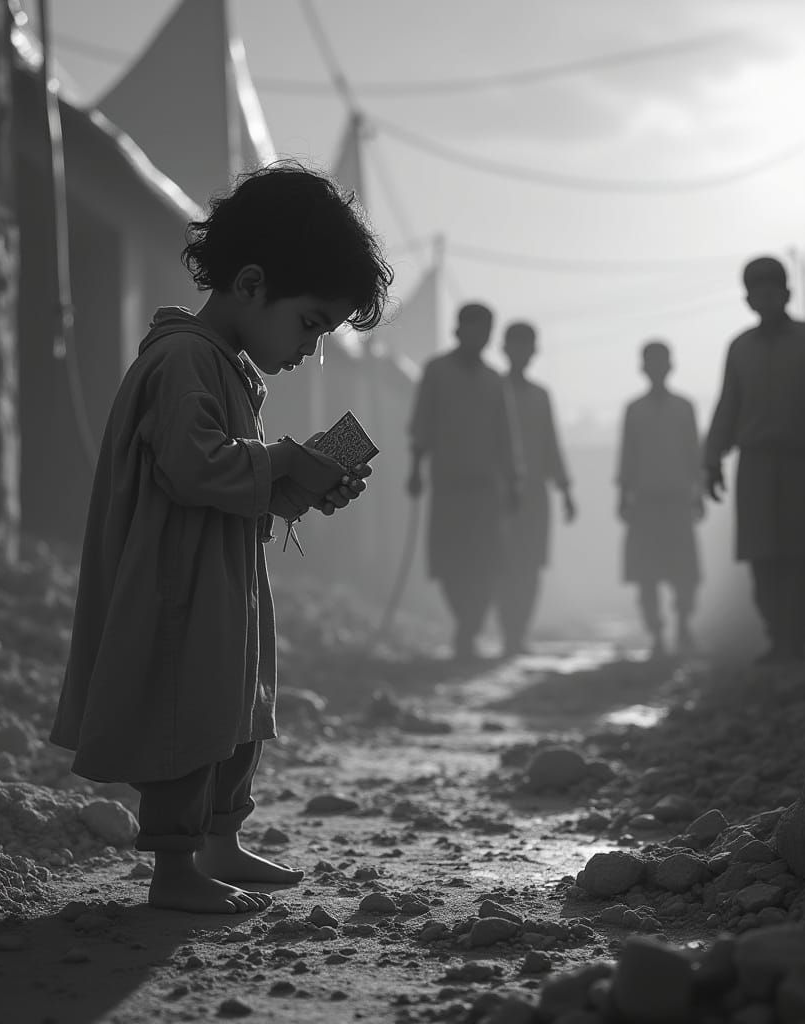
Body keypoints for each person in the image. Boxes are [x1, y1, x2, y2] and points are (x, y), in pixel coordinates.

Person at [49, 163, 393, 913]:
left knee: (239, 708)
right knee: (187, 716)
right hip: (175, 586)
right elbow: (192, 466)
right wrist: (281, 463)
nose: (311, 350)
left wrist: (302, 483)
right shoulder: (181, 361)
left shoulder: (228, 369)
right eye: (310, 324)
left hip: (222, 578)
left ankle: (222, 840)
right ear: (250, 282)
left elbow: (235, 479)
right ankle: (174, 871)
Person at [704, 256, 805, 664]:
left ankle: (798, 637)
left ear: (787, 293)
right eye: (758, 291)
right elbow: (728, 407)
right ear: (748, 300)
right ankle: (777, 636)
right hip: (756, 465)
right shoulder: (739, 349)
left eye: (773, 289)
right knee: (763, 556)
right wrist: (711, 459)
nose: (766, 298)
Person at [407, 303, 518, 661]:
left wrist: (514, 482)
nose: (480, 337)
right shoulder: (436, 372)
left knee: (488, 564)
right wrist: (415, 470)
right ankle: (464, 626)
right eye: (475, 329)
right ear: (460, 329)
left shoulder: (494, 380)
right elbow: (422, 424)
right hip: (448, 486)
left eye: (486, 331)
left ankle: (468, 631)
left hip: (486, 489)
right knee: (449, 564)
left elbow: (506, 437)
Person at [616, 340, 703, 658]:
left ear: (670, 366)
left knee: (684, 573)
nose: (656, 369)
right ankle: (656, 633)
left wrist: (699, 493)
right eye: (650, 363)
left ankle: (683, 626)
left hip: (678, 498)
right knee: (647, 574)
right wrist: (623, 495)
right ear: (644, 368)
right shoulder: (634, 410)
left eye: (660, 362)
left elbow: (694, 453)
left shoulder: (684, 408)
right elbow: (627, 455)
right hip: (646, 501)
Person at [495, 321, 576, 656]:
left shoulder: (540, 396)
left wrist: (566, 490)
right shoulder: (492, 389)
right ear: (506, 349)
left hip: (535, 496)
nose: (522, 353)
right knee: (502, 564)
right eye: (516, 345)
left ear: (533, 351)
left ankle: (518, 633)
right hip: (498, 494)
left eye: (527, 346)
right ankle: (507, 633)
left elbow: (551, 445)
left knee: (530, 566)